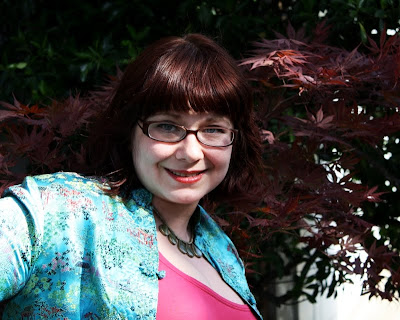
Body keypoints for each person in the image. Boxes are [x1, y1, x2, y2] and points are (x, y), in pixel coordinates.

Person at [0, 33, 263, 319]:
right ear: (129, 132)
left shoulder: (222, 250)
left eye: (213, 129)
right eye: (167, 126)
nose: (191, 153)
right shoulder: (59, 211)